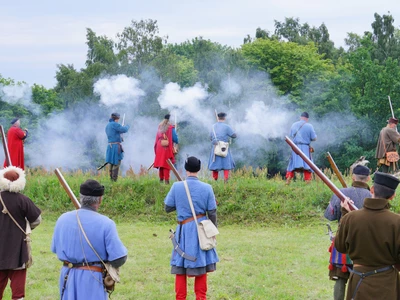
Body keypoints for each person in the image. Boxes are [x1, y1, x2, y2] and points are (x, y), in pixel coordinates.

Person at [51, 179, 128, 300]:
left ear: (81, 197)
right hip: (92, 279)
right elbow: (119, 258)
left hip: (68, 276)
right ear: (100, 199)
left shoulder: (62, 219)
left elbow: (55, 248)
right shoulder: (106, 223)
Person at [335, 172, 400, 300]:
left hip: (359, 283)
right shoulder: (397, 221)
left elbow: (340, 247)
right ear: (393, 196)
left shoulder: (350, 218)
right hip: (387, 285)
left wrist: (345, 215)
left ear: (371, 189)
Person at [164, 156, 219, 300]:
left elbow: (167, 207)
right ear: (199, 169)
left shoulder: (177, 187)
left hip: (183, 231)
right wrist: (212, 232)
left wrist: (180, 200)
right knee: (201, 266)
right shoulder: (207, 188)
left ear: (186, 169)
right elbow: (212, 213)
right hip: (202, 230)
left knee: (180, 268)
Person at [324, 165, 371, 300]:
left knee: (340, 277)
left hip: (343, 238)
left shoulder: (341, 192)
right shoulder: (372, 195)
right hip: (365, 240)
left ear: (352, 177)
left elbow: (330, 215)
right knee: (362, 277)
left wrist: (334, 201)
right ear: (368, 178)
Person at [0, 166, 42, 300]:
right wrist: (25, 229)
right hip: (17, 250)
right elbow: (36, 220)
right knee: (18, 295)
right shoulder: (23, 200)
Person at [285, 112, 317, 184]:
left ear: (300, 117)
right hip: (305, 148)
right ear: (307, 119)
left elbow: (291, 135)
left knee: (292, 164)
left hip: (295, 147)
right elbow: (314, 138)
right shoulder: (309, 126)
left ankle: (288, 181)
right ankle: (308, 182)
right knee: (308, 165)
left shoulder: (294, 125)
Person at [208, 112, 237, 182]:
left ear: (218, 118)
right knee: (226, 164)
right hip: (224, 147)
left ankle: (215, 180)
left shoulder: (213, 127)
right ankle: (226, 180)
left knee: (215, 165)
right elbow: (234, 135)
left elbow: (210, 137)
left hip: (215, 147)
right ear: (224, 118)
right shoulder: (227, 127)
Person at [153, 114, 178, 184]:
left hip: (159, 146)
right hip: (166, 148)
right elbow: (175, 139)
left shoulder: (160, 126)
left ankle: (161, 180)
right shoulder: (171, 128)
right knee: (167, 165)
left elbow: (157, 137)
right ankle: (167, 181)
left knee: (161, 164)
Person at [105, 113, 130, 181]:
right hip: (115, 146)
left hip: (110, 146)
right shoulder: (115, 124)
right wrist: (127, 126)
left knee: (111, 162)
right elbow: (124, 130)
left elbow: (117, 131)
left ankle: (111, 179)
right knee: (116, 162)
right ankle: (114, 179)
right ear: (117, 118)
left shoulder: (108, 125)